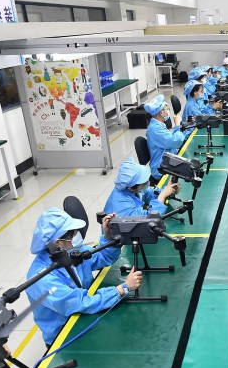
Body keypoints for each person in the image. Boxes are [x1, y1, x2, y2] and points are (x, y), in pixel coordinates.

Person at [25, 208, 141, 348]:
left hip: (87, 315)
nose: (77, 236)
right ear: (58, 242)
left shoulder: (70, 252)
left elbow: (101, 257)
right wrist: (122, 288)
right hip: (65, 336)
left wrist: (107, 236)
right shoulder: (42, 277)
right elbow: (79, 303)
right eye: (73, 234)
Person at [104, 159, 181, 218]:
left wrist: (168, 190)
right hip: (121, 237)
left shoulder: (132, 188)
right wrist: (162, 196)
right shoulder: (122, 205)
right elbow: (150, 219)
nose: (148, 183)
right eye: (144, 183)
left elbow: (148, 193)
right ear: (131, 187)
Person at [144, 94, 185, 180]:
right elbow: (176, 141)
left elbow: (167, 137)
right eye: (167, 109)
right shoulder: (155, 129)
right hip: (161, 168)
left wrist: (175, 130)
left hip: (167, 160)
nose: (168, 111)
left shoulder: (158, 124)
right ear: (161, 113)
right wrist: (177, 125)